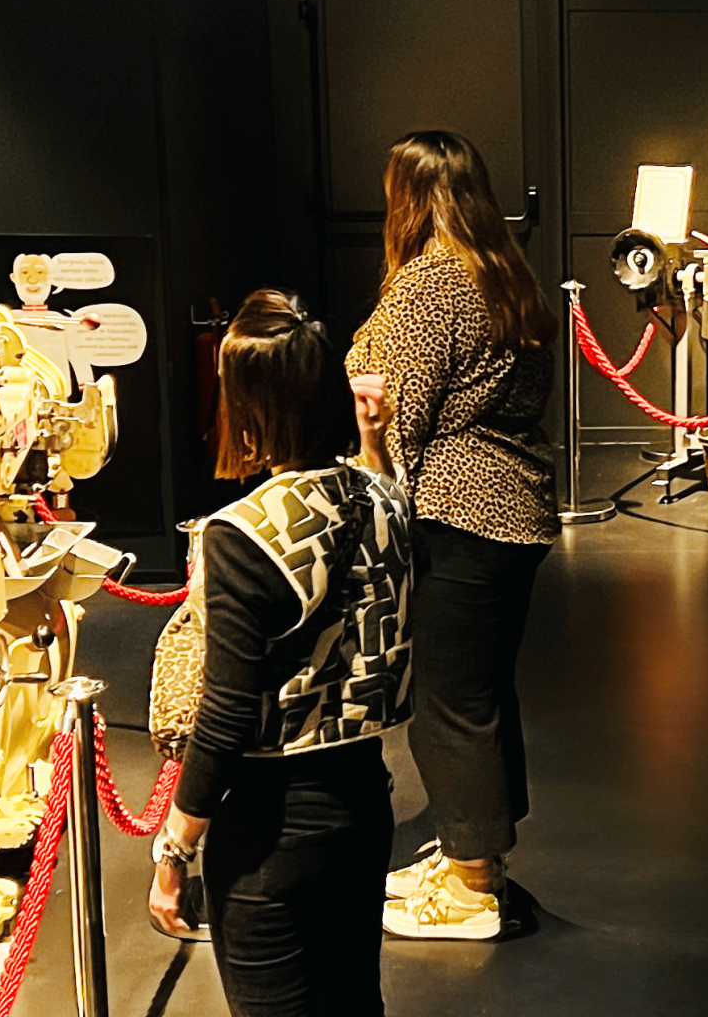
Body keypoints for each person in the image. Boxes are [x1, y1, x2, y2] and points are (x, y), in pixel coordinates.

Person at [145, 288, 413, 1017]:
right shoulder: (387, 499)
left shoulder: (242, 534)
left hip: (271, 823)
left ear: (251, 406)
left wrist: (176, 847)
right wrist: (373, 442)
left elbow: (227, 712)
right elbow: (375, 514)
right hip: (363, 800)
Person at [345, 130, 559, 940]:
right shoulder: (504, 270)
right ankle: (477, 856)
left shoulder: (428, 285)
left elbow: (400, 421)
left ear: (406, 196)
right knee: (484, 692)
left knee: (450, 703)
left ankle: (470, 891)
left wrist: (369, 478)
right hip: (517, 508)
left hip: (458, 516)